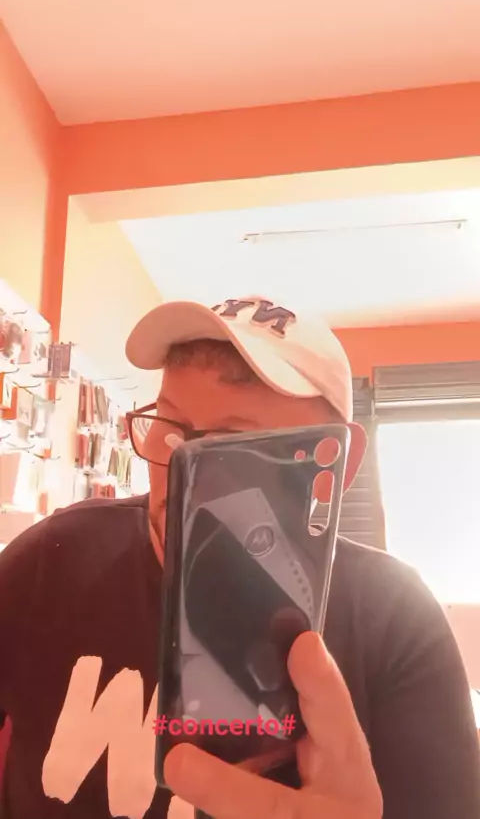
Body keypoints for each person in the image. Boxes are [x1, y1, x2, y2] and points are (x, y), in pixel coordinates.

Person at [0, 295, 478, 819]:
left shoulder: (395, 619)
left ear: (337, 465)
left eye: (229, 443)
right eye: (170, 427)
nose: (179, 475)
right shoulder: (56, 557)